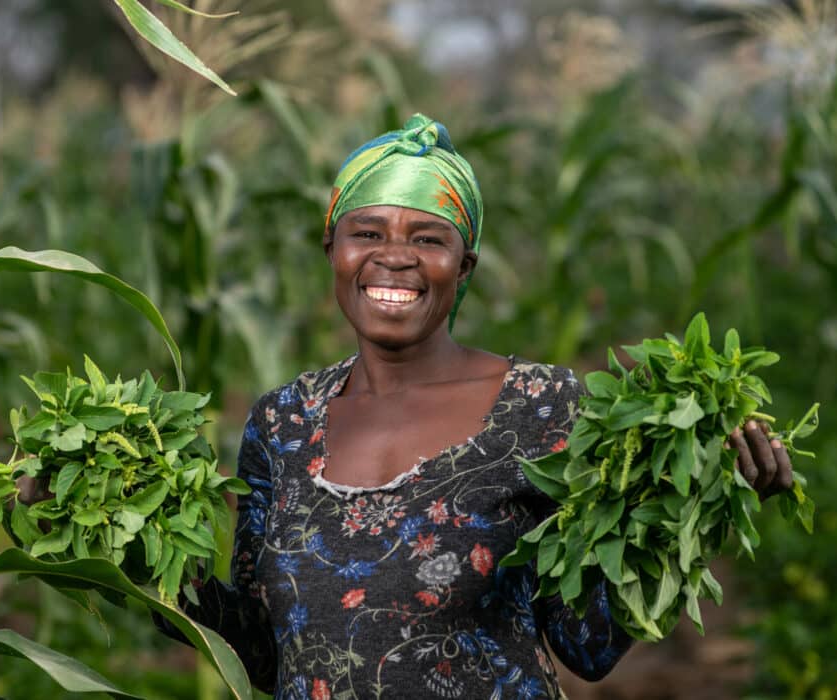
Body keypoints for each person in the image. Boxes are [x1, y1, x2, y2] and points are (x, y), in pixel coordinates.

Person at [156, 114, 794, 699]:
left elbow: (587, 646)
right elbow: (267, 657)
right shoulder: (282, 423)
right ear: (334, 250)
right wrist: (134, 550)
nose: (395, 255)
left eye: (429, 238)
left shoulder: (542, 407)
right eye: (367, 232)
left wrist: (699, 505)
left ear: (464, 266)